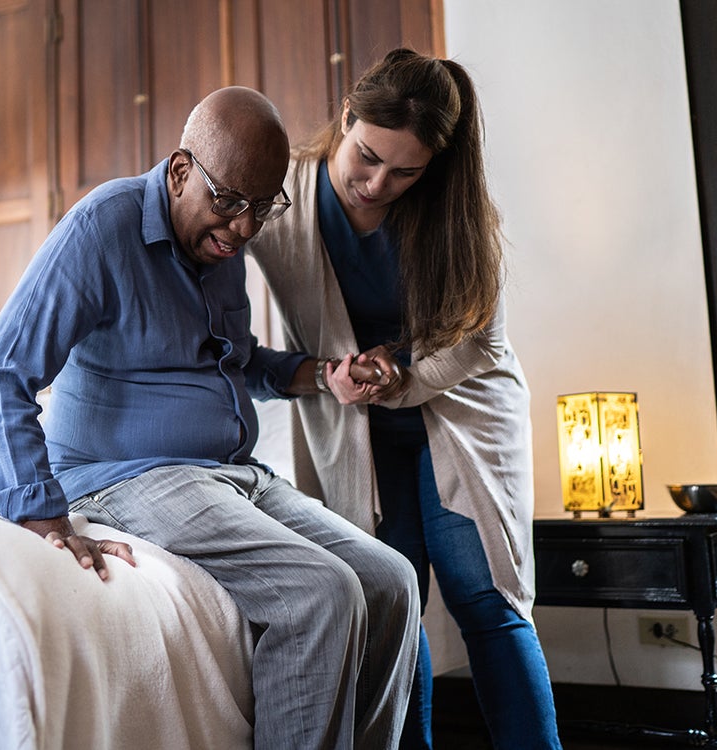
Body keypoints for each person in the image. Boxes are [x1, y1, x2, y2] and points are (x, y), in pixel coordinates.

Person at [0, 86, 420, 749]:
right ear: (181, 172)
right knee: (319, 595)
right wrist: (44, 519)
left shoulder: (219, 249)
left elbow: (236, 362)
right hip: (126, 476)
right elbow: (1, 374)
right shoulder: (101, 230)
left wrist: (322, 374)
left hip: (231, 472)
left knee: (390, 582)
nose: (242, 228)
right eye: (229, 203)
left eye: (261, 208)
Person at [247, 49, 562, 749]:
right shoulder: (283, 199)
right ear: (347, 118)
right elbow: (225, 326)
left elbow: (478, 342)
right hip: (355, 420)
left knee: (484, 594)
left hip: (462, 409)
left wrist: (400, 373)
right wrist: (318, 372)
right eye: (366, 157)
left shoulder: (455, 214)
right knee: (393, 600)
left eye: (405, 172)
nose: (377, 183)